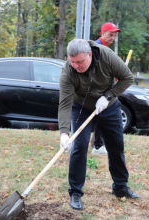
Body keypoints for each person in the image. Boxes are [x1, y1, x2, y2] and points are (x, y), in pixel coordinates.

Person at [59, 39, 140, 210]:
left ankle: (120, 187)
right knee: (79, 147)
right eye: (72, 62)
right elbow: (65, 103)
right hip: (81, 108)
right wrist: (64, 133)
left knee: (116, 145)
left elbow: (127, 78)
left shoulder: (107, 56)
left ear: (89, 54)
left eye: (80, 61)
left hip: (108, 106)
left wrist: (109, 96)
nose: (76, 66)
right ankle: (75, 192)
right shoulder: (68, 70)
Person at [91, 22, 122, 156]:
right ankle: (98, 146)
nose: (112, 38)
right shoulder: (98, 47)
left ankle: (98, 145)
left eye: (114, 36)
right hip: (98, 90)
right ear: (102, 33)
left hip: (103, 89)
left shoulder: (105, 48)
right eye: (110, 35)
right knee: (100, 117)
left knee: (100, 117)